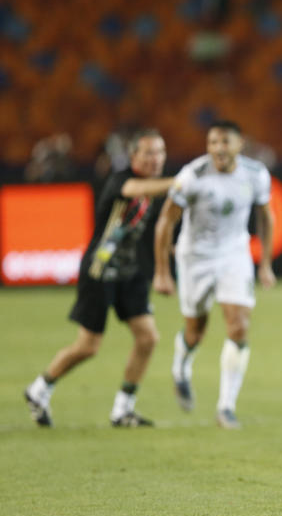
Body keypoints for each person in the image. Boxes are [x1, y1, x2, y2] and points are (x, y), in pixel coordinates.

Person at [24, 129, 174, 428]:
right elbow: (133, 190)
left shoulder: (155, 187)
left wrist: (160, 270)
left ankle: (122, 409)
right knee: (88, 346)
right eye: (148, 152)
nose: (155, 159)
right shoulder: (121, 179)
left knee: (148, 338)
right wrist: (182, 181)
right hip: (100, 270)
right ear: (133, 156)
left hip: (129, 273)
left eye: (160, 152)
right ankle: (39, 388)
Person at [152, 120, 275, 429]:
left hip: (234, 254)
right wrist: (162, 272)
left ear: (239, 144)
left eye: (225, 142)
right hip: (195, 257)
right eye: (213, 143)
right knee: (196, 331)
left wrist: (265, 263)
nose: (219, 149)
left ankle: (226, 408)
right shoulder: (192, 176)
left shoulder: (256, 174)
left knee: (239, 327)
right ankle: (181, 367)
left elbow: (266, 217)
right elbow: (165, 222)